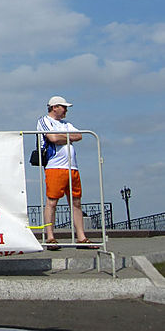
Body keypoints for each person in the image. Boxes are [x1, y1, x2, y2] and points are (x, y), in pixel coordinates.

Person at [37, 96, 98, 250]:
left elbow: (80, 135)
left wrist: (65, 137)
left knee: (76, 202)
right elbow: (53, 138)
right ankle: (50, 236)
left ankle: (81, 237)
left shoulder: (67, 124)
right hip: (55, 166)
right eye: (63, 107)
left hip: (72, 167)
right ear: (54, 107)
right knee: (52, 201)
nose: (66, 110)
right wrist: (68, 138)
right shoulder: (44, 121)